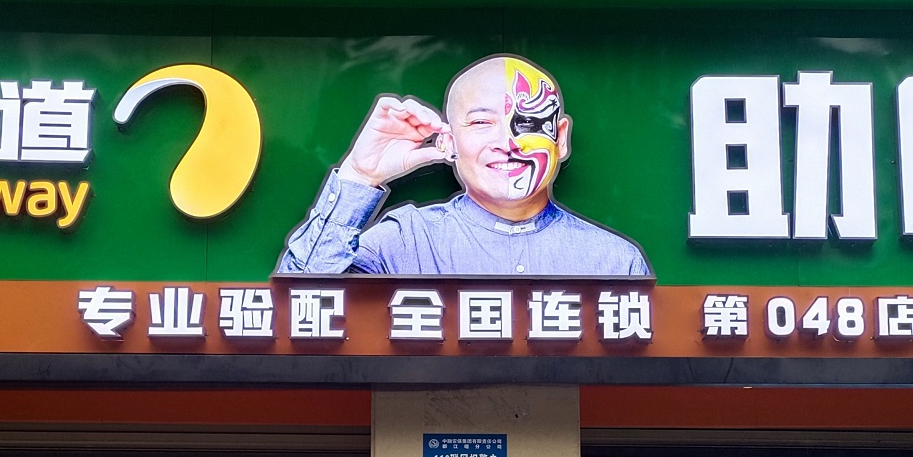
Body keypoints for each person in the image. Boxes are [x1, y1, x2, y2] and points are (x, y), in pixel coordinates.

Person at [278, 54, 650, 278]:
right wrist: (360, 175)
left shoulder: (614, 263)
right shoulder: (406, 241)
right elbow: (297, 311)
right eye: (481, 122)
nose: (507, 143)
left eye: (529, 122)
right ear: (448, 141)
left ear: (561, 138)